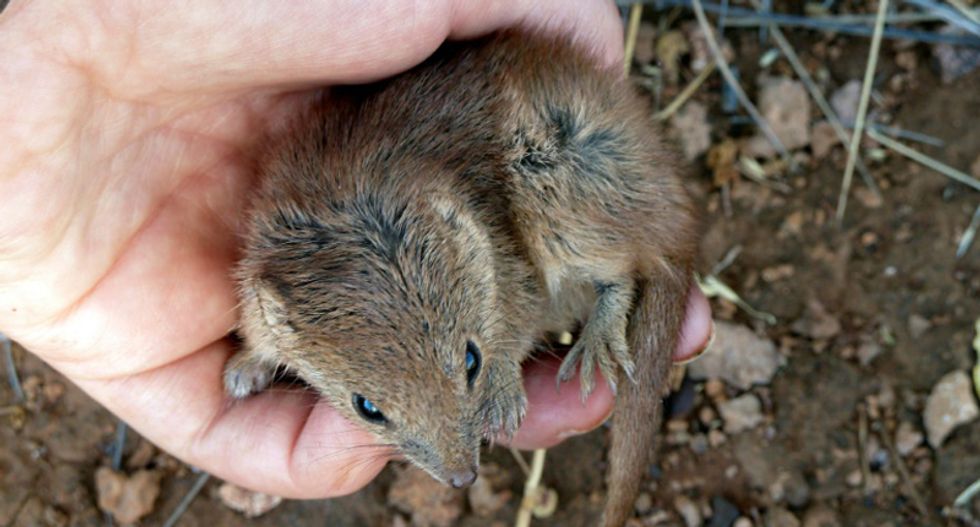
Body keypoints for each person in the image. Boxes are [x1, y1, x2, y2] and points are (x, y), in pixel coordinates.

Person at [0, 0, 712, 498]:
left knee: (567, 209)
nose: (456, 468)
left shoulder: (453, 241)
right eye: (371, 410)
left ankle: (620, 284)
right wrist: (257, 358)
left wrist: (492, 362)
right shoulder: (278, 305)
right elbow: (266, 318)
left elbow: (509, 281)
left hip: (553, 147)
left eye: (461, 358)